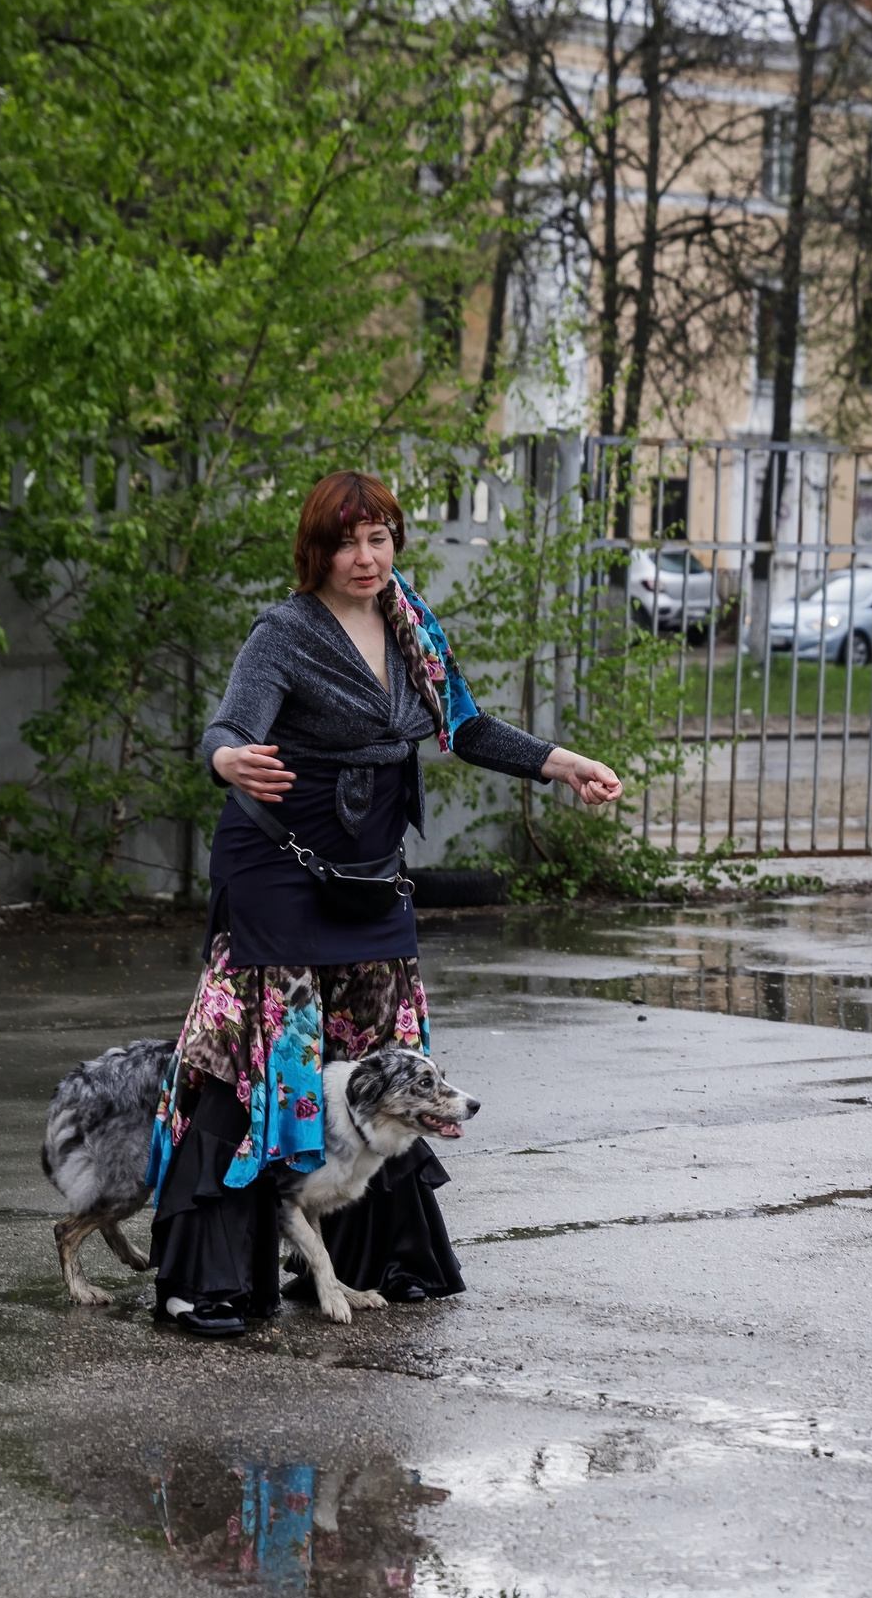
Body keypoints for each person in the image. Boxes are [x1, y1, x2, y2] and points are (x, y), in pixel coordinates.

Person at [148, 469, 621, 1336]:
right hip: (278, 868)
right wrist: (226, 760)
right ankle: (204, 1280)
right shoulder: (284, 632)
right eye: (346, 543)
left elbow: (465, 725)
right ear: (315, 551)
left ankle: (374, 1257)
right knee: (262, 1062)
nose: (365, 558)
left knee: (381, 1057)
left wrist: (565, 764)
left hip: (369, 873)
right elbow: (229, 726)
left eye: (378, 538)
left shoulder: (412, 626)